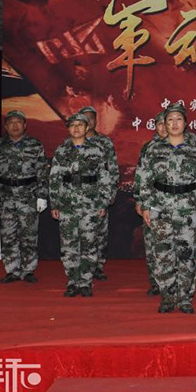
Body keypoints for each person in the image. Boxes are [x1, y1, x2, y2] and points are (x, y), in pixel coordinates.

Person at [138, 103, 196, 314]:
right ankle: (168, 297)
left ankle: (186, 298)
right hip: (160, 208)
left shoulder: (195, 149)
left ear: (185, 123)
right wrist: (146, 205)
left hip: (188, 208)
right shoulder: (154, 149)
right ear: (165, 123)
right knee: (163, 255)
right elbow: (145, 180)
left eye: (179, 119)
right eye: (170, 120)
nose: (174, 123)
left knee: (187, 255)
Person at [48, 113, 113, 297]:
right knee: (69, 245)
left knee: (89, 244)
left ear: (87, 128)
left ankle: (85, 282)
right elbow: (54, 178)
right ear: (68, 128)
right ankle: (72, 281)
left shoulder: (97, 150)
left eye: (80, 125)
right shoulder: (62, 150)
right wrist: (55, 203)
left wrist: (103, 202)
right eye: (73, 125)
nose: (76, 128)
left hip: (90, 204)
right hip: (67, 205)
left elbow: (104, 177)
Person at [0, 110, 49, 284]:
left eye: (18, 122)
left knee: (29, 235)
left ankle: (28, 270)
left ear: (25, 125)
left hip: (28, 196)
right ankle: (12, 270)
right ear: (5, 126)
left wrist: (42, 196)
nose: (15, 125)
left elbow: (42, 172)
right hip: (5, 196)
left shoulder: (35, 144)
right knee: (8, 235)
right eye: (11, 122)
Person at [78, 106, 120, 281]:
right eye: (84, 118)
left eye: (91, 118)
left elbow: (112, 168)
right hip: (77, 195)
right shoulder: (72, 141)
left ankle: (97, 267)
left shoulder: (105, 142)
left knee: (100, 233)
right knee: (78, 232)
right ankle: (80, 267)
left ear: (96, 120)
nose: (88, 121)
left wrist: (111, 191)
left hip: (99, 194)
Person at [133, 111, 167, 295]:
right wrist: (139, 200)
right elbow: (140, 175)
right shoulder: (149, 147)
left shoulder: (184, 145)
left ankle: (172, 283)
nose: (163, 127)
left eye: (165, 123)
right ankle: (156, 283)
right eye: (159, 124)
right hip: (152, 202)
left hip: (177, 202)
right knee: (152, 243)